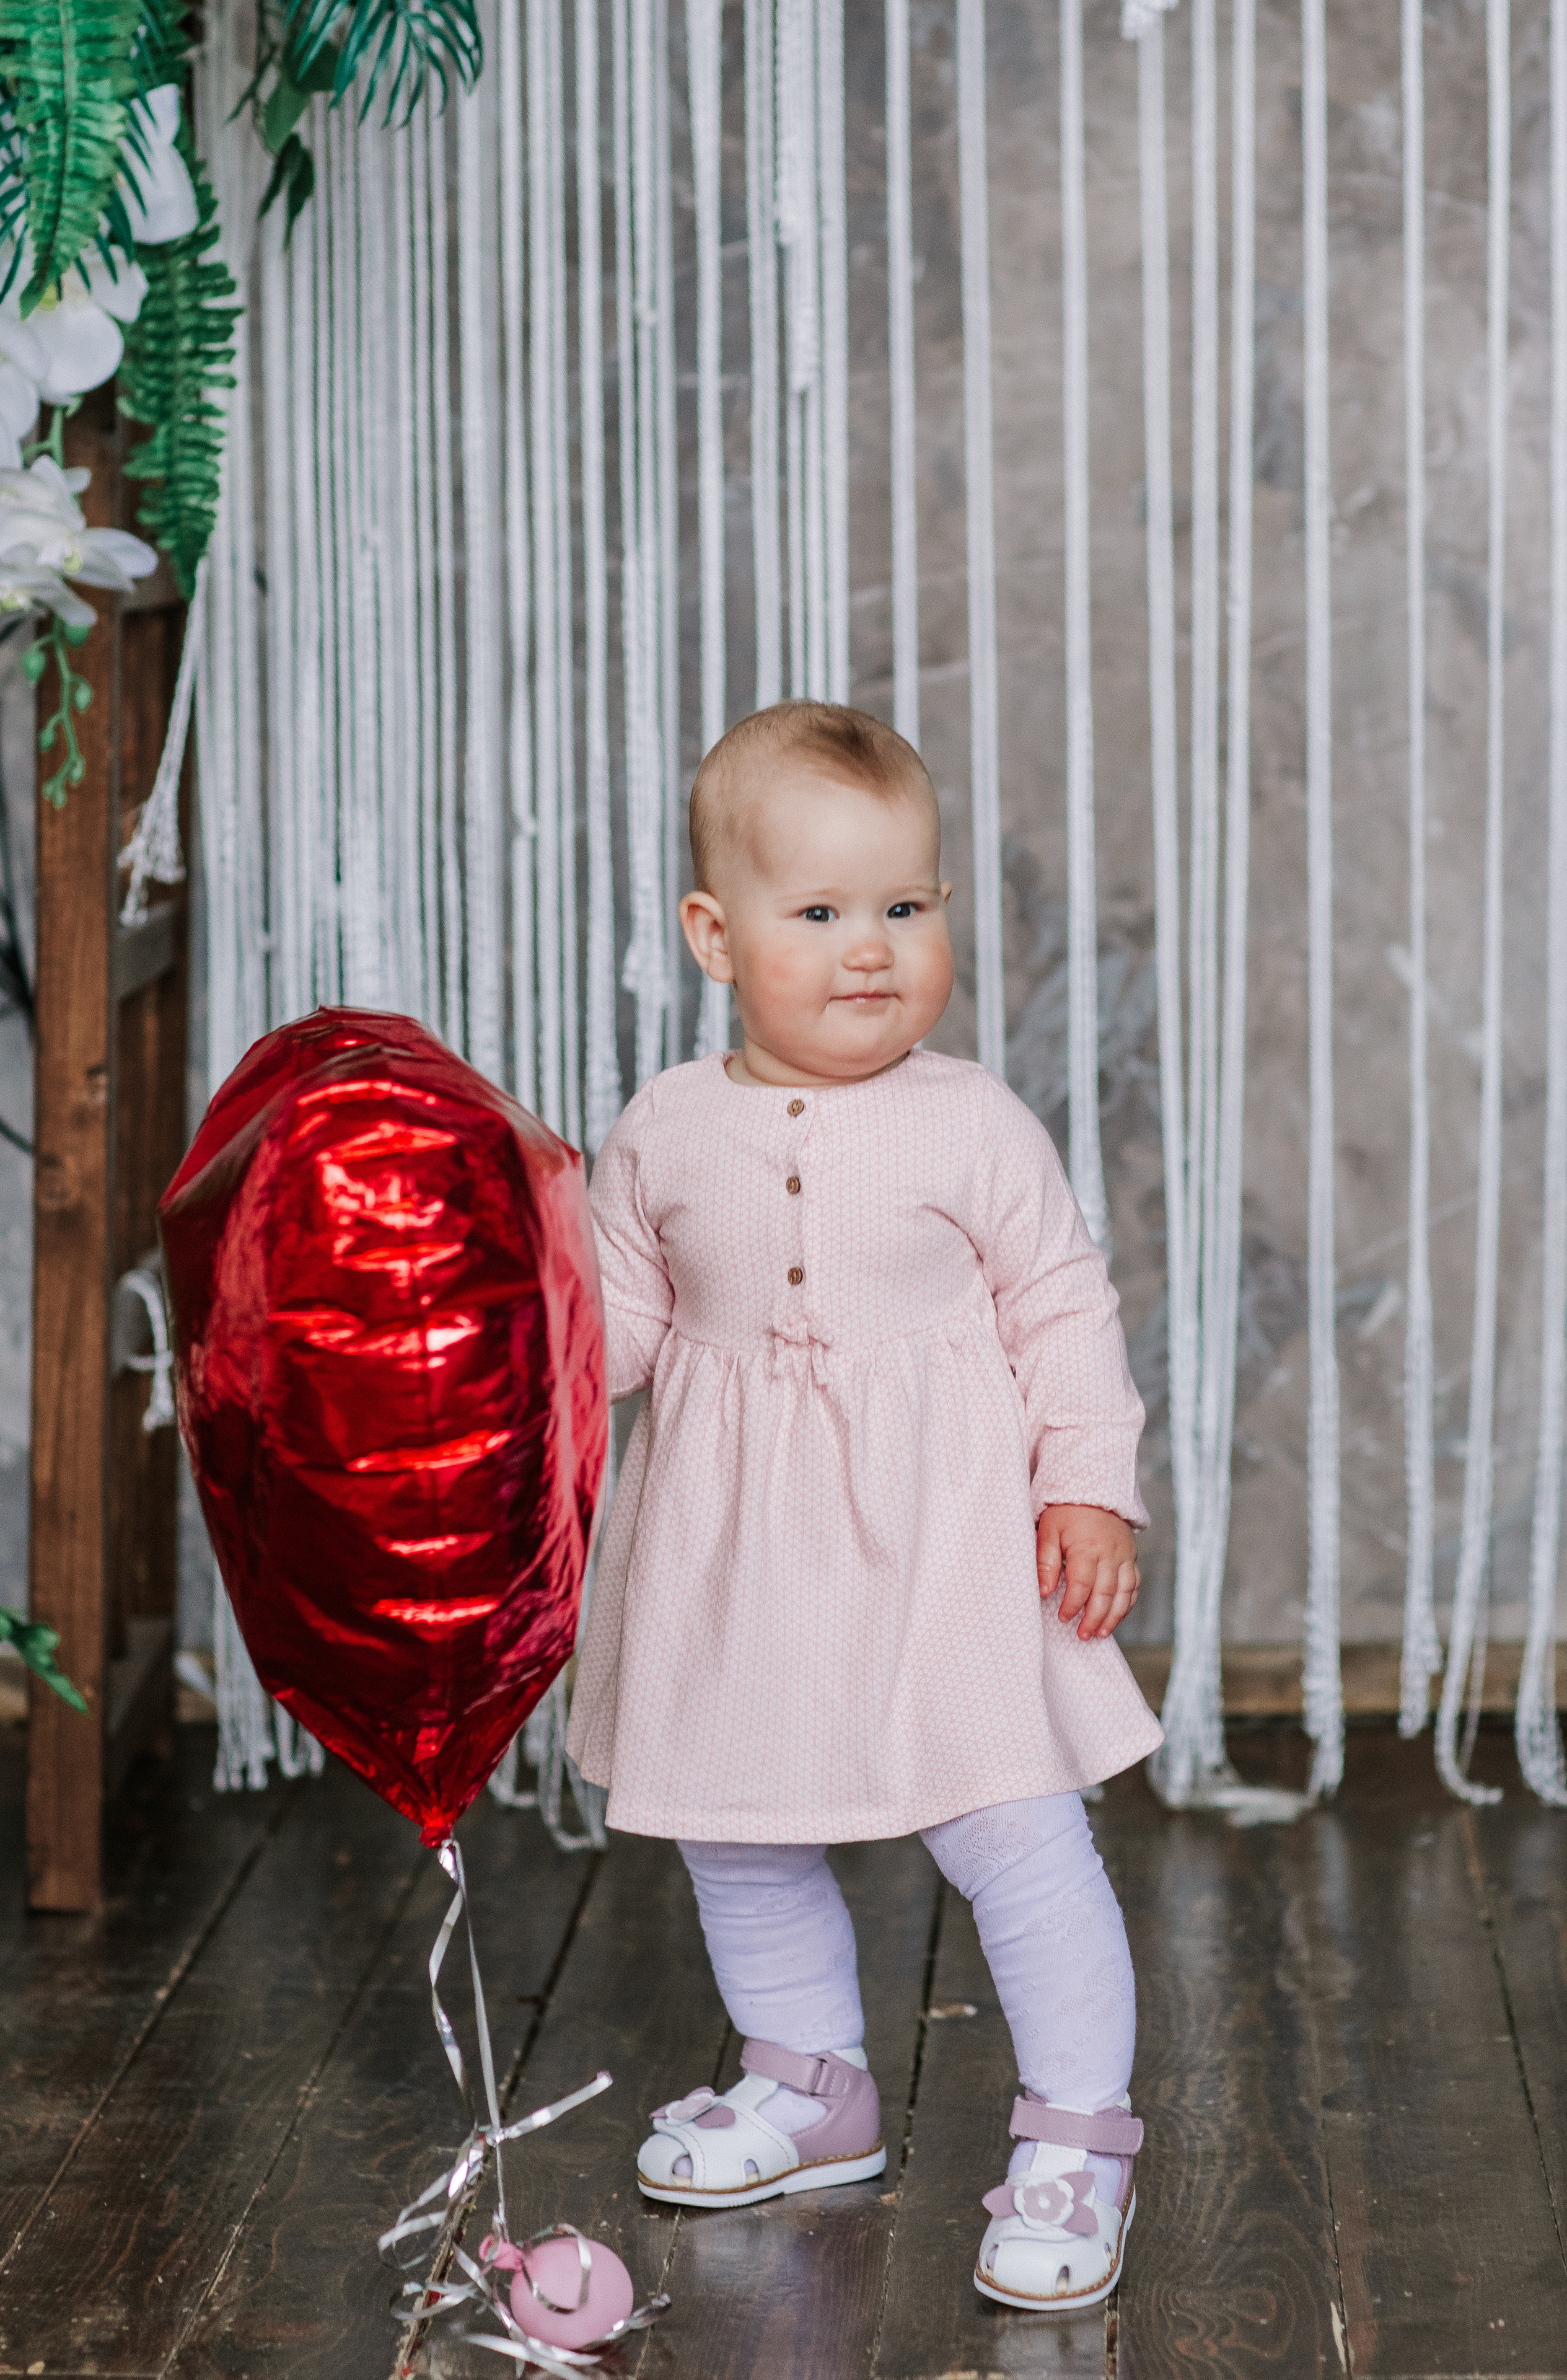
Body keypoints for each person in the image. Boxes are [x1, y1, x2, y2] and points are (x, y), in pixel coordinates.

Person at [567, 701, 1162, 2313]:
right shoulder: (664, 1131)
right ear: (714, 933)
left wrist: (1088, 1486)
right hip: (732, 1546)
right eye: (819, 913)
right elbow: (611, 1339)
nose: (870, 950)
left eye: (905, 907)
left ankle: (1075, 2133)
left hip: (947, 1540)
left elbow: (1062, 1309)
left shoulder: (971, 1121)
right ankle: (810, 2083)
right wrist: (523, 1241)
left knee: (1014, 1831)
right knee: (736, 1820)